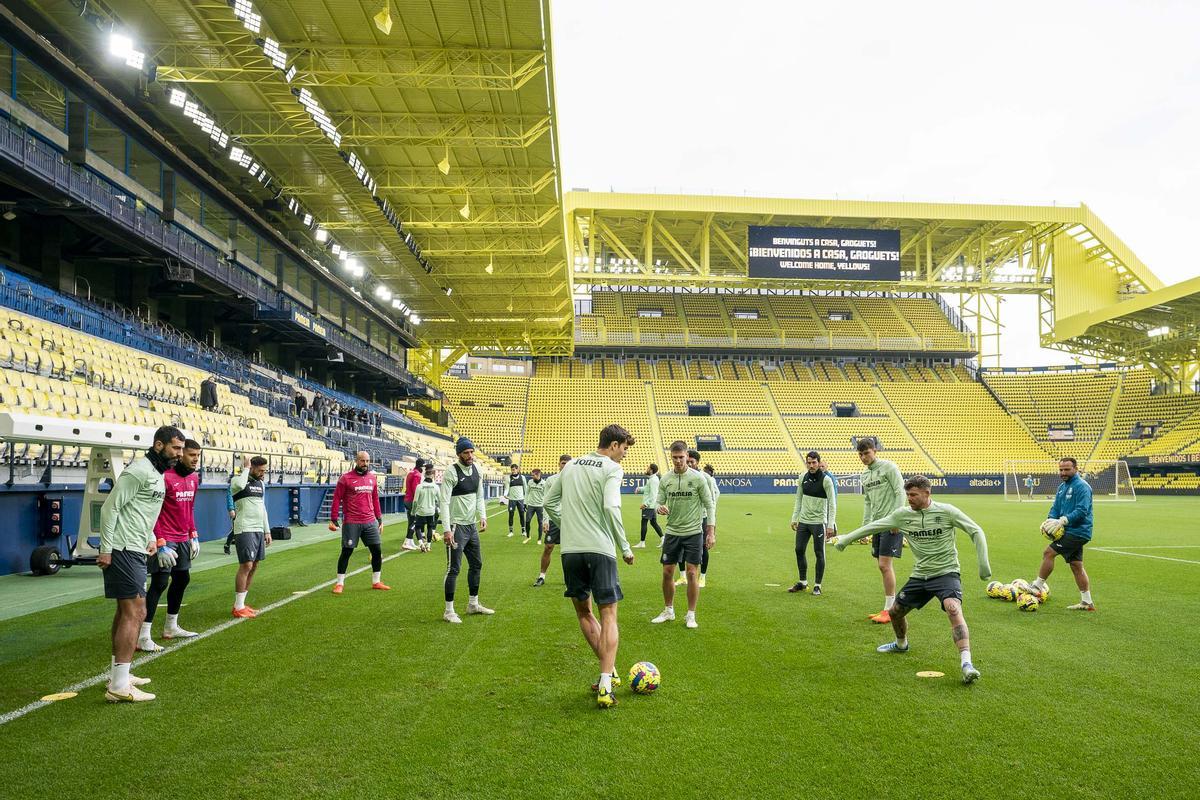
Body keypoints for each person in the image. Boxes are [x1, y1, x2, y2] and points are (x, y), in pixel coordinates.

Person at [831, 475, 991, 685]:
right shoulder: (903, 515)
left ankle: (967, 664)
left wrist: (983, 564)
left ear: (927, 493)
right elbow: (874, 526)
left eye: (914, 495)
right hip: (920, 575)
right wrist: (846, 539)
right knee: (895, 612)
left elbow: (975, 530)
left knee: (953, 608)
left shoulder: (947, 511)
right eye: (907, 495)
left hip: (946, 572)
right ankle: (901, 644)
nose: (910, 499)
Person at [543, 424, 636, 709]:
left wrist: (567, 527)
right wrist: (625, 546)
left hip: (570, 551)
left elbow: (548, 502)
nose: (624, 455)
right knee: (608, 614)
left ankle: (611, 673)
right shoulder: (611, 468)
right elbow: (611, 507)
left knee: (584, 612)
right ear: (614, 444)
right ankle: (606, 685)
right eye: (624, 449)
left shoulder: (570, 466)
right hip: (600, 549)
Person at [99, 425, 185, 703]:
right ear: (159, 446)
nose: (179, 454)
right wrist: (105, 549)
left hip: (136, 546)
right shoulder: (138, 471)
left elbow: (140, 511)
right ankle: (119, 685)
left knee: (128, 611)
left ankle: (119, 675)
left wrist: (151, 537)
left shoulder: (157, 474)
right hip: (123, 548)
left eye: (182, 449)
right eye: (176, 448)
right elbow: (110, 507)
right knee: (136, 611)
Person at [138, 438, 204, 652]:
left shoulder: (194, 478)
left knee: (183, 578)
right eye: (191, 455)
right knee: (159, 583)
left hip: (183, 537)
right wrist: (159, 540)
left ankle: (171, 627)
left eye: (198, 455)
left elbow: (190, 508)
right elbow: (153, 511)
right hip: (165, 538)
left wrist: (193, 533)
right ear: (181, 454)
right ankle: (143, 635)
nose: (195, 459)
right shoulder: (164, 477)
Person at [652, 441, 714, 629]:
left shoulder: (698, 478)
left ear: (687, 456)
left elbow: (709, 505)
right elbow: (657, 503)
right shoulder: (666, 479)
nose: (678, 461)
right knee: (667, 572)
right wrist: (659, 508)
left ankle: (691, 615)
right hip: (672, 532)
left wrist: (710, 532)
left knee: (692, 573)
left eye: (681, 457)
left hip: (694, 532)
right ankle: (668, 610)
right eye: (675, 457)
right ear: (671, 457)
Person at [1028, 457, 1096, 610]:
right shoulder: (1061, 487)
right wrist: (1050, 521)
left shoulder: (1082, 486)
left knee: (1048, 553)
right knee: (1076, 565)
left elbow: (1082, 510)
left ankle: (1037, 586)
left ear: (1075, 469)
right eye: (1061, 470)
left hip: (1079, 531)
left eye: (1067, 469)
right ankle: (1087, 602)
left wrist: (1063, 520)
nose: (1063, 472)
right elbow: (1055, 508)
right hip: (1069, 531)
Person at [440, 437, 493, 623]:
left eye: (471, 452)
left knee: (477, 564)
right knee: (453, 568)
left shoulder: (477, 470)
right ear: (459, 454)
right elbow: (444, 502)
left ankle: (473, 604)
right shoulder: (451, 472)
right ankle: (448, 611)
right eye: (466, 453)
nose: (470, 455)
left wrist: (483, 516)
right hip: (456, 527)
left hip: (471, 527)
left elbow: (479, 497)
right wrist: (447, 529)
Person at [858, 437, 906, 623]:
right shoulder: (864, 475)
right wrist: (865, 527)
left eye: (867, 453)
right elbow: (868, 502)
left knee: (885, 565)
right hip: (877, 525)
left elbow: (899, 492)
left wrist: (897, 518)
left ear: (875, 451)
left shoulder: (889, 467)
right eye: (860, 454)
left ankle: (889, 610)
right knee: (882, 565)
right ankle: (889, 607)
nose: (864, 457)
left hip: (891, 523)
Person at [330, 451, 388, 594]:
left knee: (377, 551)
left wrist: (379, 518)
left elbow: (375, 499)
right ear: (357, 461)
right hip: (352, 522)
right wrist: (333, 518)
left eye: (367, 461)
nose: (365, 464)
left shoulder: (372, 478)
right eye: (362, 461)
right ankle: (339, 583)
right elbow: (337, 498)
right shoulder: (346, 478)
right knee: (347, 552)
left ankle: (376, 581)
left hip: (370, 521)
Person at [789, 450, 837, 596]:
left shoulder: (826, 480)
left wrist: (830, 524)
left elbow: (832, 504)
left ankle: (818, 585)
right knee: (799, 549)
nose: (811, 465)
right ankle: (803, 582)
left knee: (819, 552)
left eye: (814, 462)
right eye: (809, 462)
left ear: (819, 462)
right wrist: (794, 517)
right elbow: (798, 499)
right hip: (803, 521)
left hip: (818, 522)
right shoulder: (802, 477)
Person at [230, 455, 271, 618]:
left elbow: (263, 508)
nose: (263, 474)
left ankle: (241, 604)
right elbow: (239, 484)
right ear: (252, 467)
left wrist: (267, 530)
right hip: (244, 528)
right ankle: (238, 606)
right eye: (260, 470)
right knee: (246, 565)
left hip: (258, 529)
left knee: (254, 566)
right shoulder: (237, 481)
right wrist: (245, 468)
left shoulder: (261, 484)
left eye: (264, 471)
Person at [675, 451, 717, 587]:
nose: (689, 464)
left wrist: (712, 527)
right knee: (679, 547)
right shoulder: (680, 476)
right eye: (687, 461)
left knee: (703, 548)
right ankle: (682, 577)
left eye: (691, 461)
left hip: (702, 517)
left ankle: (702, 577)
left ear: (697, 462)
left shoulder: (706, 478)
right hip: (683, 517)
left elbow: (712, 502)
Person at [534, 455, 572, 587]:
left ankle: (570, 578)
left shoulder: (575, 480)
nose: (565, 466)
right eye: (563, 463)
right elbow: (546, 501)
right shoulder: (551, 480)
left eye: (568, 463)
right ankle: (541, 576)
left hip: (570, 519)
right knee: (548, 547)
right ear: (558, 464)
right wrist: (545, 520)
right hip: (554, 519)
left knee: (570, 550)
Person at [409, 463, 440, 552]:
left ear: (425, 475)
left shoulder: (419, 486)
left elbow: (415, 501)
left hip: (421, 511)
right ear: (432, 476)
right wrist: (439, 509)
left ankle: (421, 544)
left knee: (418, 527)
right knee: (430, 527)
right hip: (431, 511)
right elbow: (440, 500)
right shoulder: (436, 487)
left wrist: (413, 512)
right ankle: (429, 546)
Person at [635, 463, 663, 549]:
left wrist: (645, 504)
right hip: (651, 505)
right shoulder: (652, 479)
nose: (646, 469)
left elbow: (653, 495)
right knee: (653, 523)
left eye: (648, 468)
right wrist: (639, 488)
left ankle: (642, 543)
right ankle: (663, 538)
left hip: (649, 506)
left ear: (651, 470)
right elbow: (647, 489)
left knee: (644, 522)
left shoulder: (653, 480)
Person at [402, 458, 426, 551]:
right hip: (412, 501)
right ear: (421, 466)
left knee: (411, 521)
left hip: (407, 499)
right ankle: (407, 541)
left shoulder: (411, 473)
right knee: (416, 522)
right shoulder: (417, 475)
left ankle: (410, 541)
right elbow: (416, 490)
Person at [503, 463, 528, 540]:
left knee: (521, 515)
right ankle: (511, 531)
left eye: (514, 469)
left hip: (521, 499)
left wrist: (526, 500)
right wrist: (505, 494)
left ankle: (523, 531)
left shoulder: (522, 477)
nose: (513, 471)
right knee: (511, 515)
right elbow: (507, 488)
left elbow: (526, 488)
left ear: (517, 469)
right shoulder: (508, 478)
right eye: (512, 470)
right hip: (512, 500)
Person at [524, 469, 547, 543]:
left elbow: (546, 495)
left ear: (538, 475)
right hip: (531, 505)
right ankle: (528, 536)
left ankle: (539, 539)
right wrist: (525, 503)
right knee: (527, 521)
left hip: (540, 506)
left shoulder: (544, 483)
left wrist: (545, 505)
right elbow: (527, 492)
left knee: (540, 522)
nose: (532, 476)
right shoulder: (530, 482)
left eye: (533, 475)